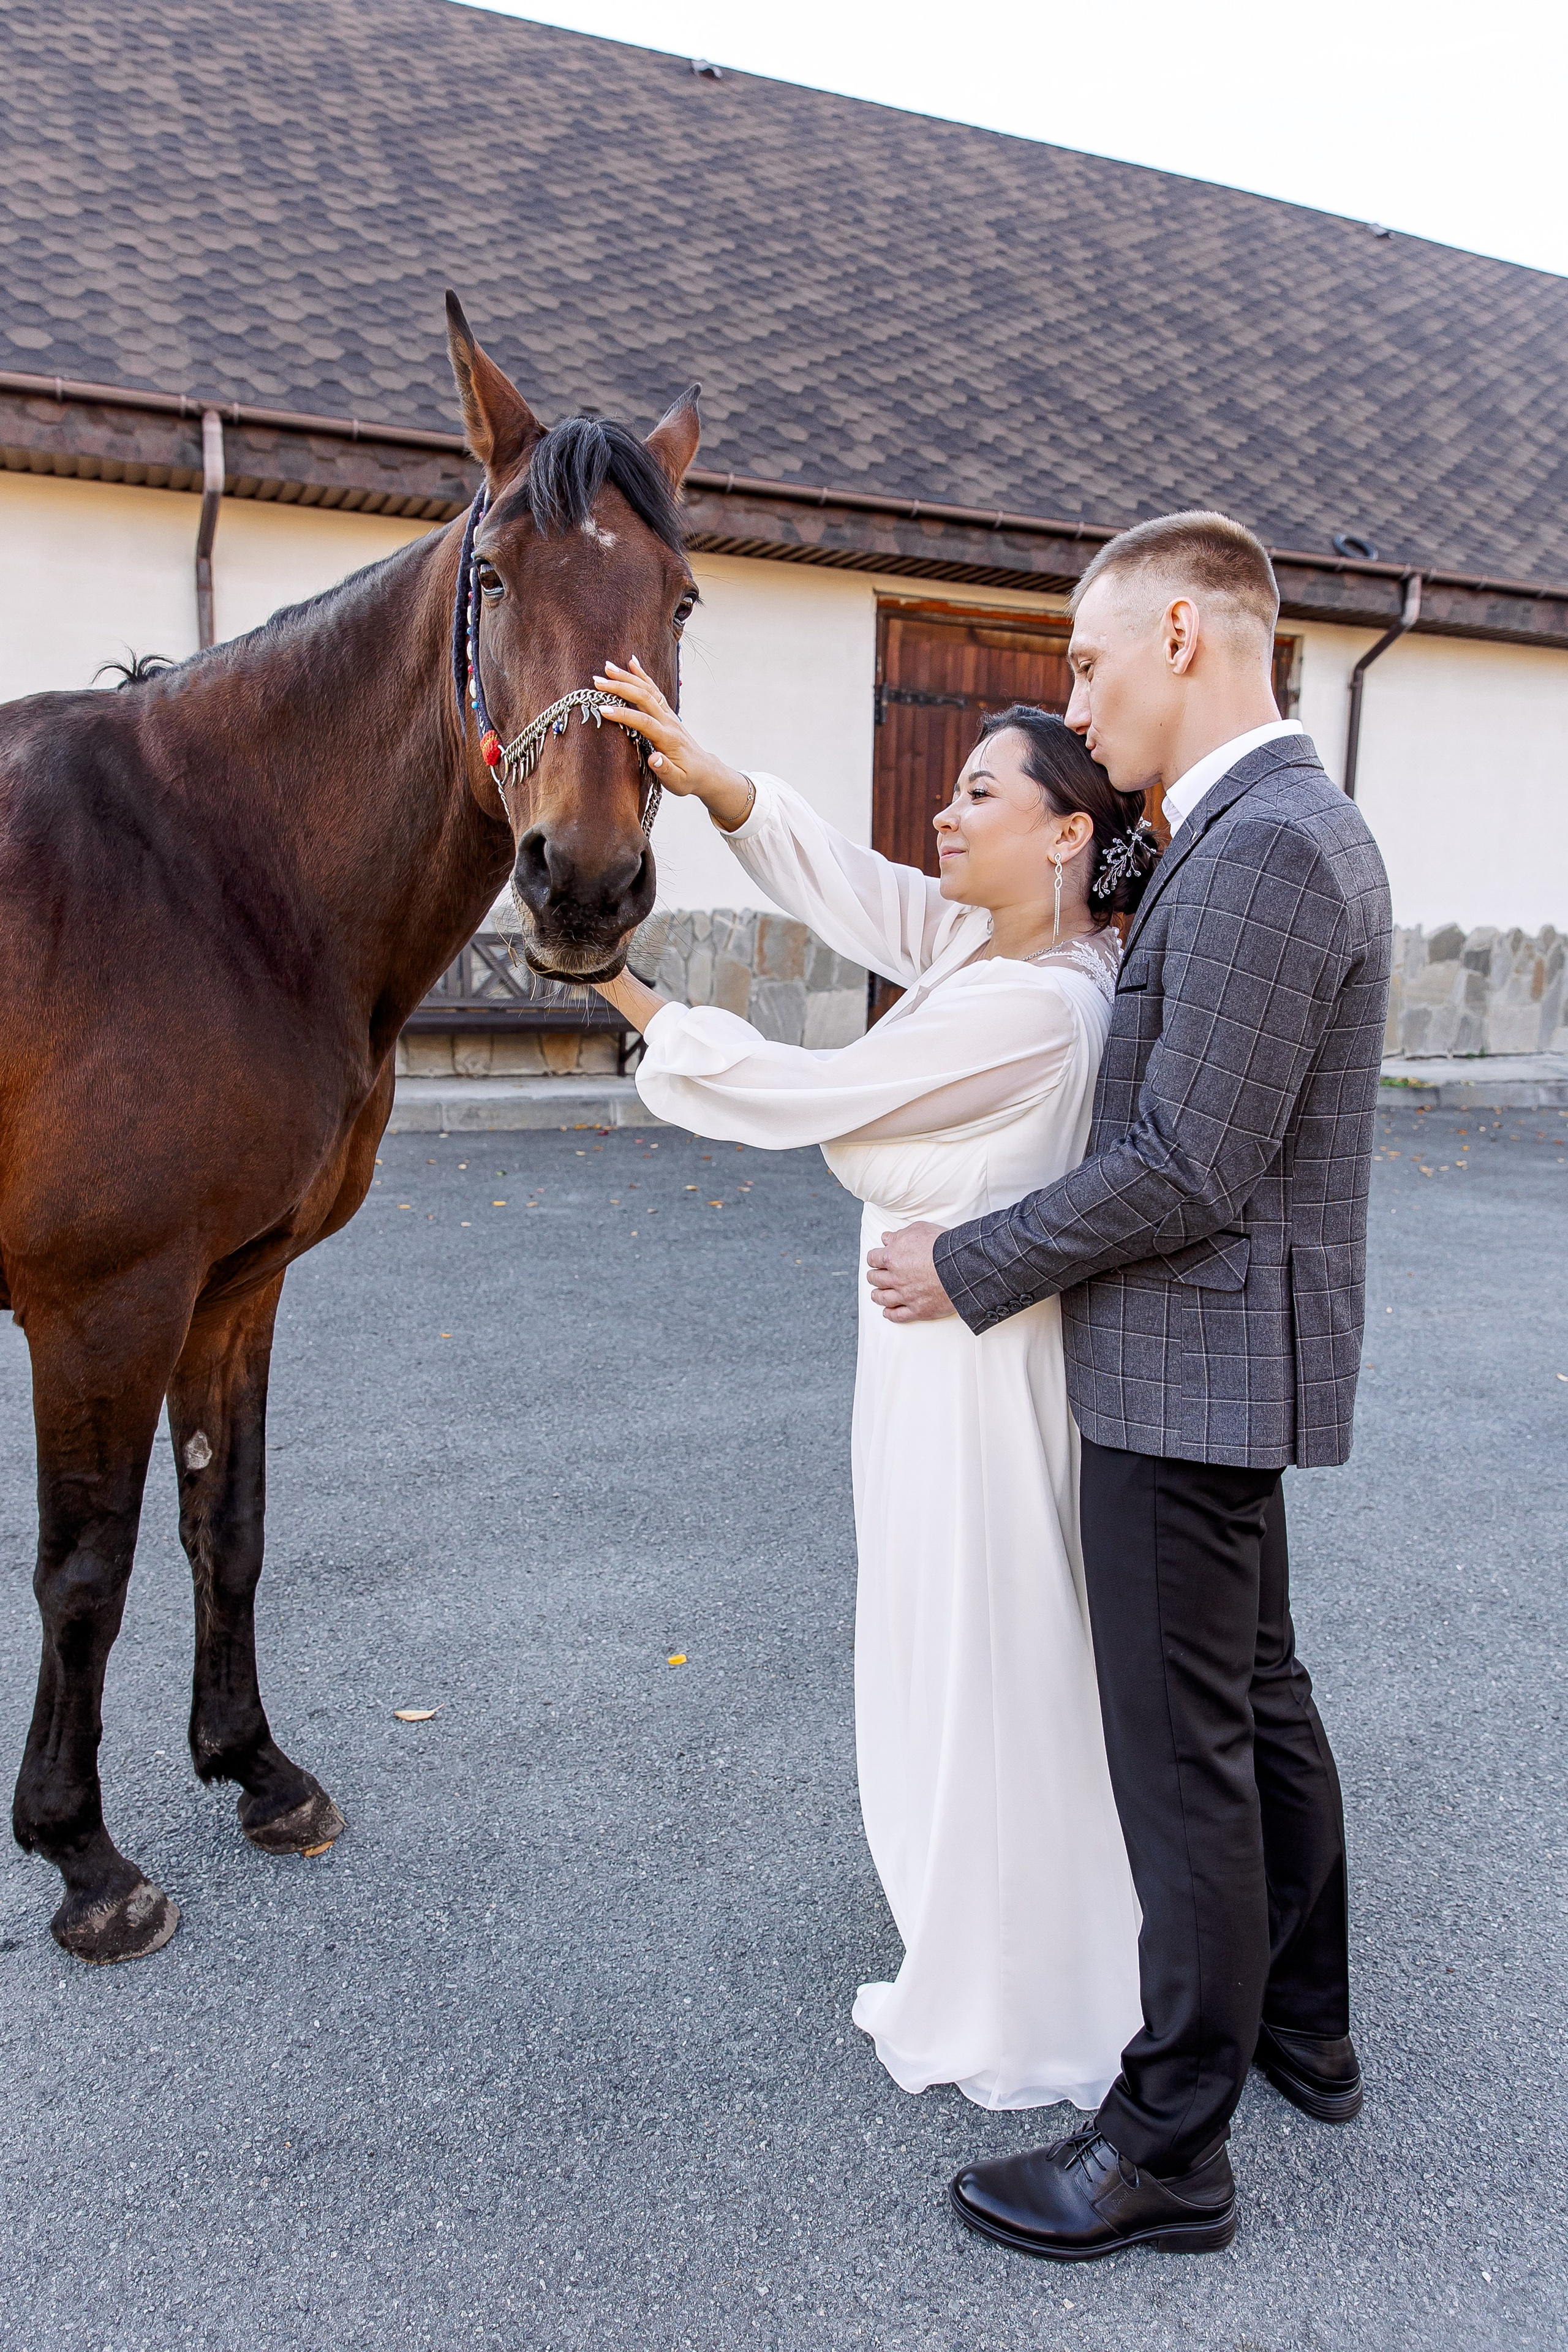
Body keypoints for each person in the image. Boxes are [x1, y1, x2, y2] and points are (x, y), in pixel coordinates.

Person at [868, 510, 1392, 2262]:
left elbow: (1184, 1164)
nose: (1079, 707)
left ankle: (1169, 2147)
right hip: (1220, 1358)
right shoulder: (1251, 829)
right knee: (1254, 1703)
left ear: (1183, 634)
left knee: (1187, 1760)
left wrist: (971, 1261)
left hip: (1188, 1366)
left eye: (1089, 665)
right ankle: (1304, 2027)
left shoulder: (1269, 847)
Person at [587, 659, 1159, 2114]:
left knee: (980, 1656)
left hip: (974, 1381)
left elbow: (817, 1106)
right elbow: (858, 888)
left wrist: (621, 988)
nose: (943, 816)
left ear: (1066, 835)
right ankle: (999, 1923)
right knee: (955, 1640)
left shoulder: (1033, 1007)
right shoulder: (995, 947)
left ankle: (1021, 1990)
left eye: (977, 794)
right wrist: (712, 780)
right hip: (938, 1356)